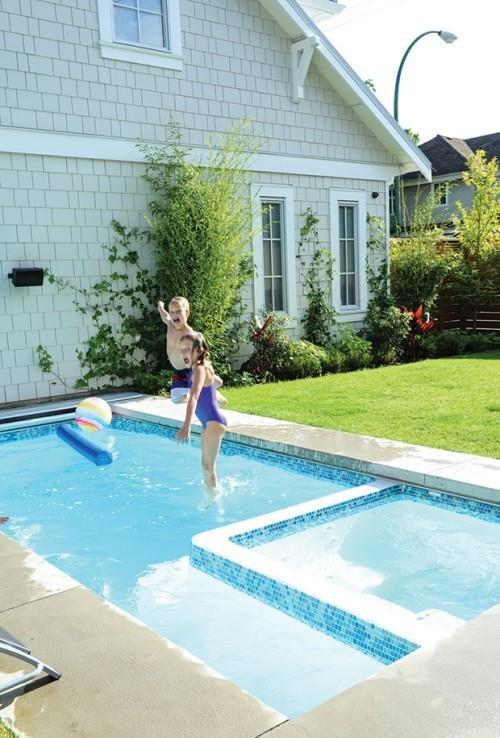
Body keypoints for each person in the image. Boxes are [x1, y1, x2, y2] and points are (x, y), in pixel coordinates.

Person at [175, 333, 227, 495]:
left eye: (189, 349)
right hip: (208, 423)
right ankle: (213, 494)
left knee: (207, 467)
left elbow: (194, 398)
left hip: (214, 421)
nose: (185, 353)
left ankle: (214, 500)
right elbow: (218, 382)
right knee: (206, 467)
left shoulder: (199, 369)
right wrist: (214, 389)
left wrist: (186, 426)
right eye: (182, 350)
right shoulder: (198, 369)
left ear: (199, 350)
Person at [158, 296, 227, 406]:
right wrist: (160, 307)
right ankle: (203, 389)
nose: (174, 315)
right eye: (172, 312)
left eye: (178, 311)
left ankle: (213, 389)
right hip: (178, 371)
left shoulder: (190, 334)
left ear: (187, 313)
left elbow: (201, 354)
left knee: (200, 387)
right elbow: (164, 316)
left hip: (191, 370)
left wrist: (207, 366)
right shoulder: (170, 325)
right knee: (176, 398)